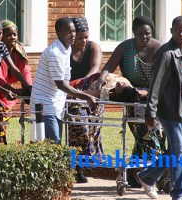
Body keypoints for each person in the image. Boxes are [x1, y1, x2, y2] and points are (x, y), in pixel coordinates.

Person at [90, 16, 163, 187]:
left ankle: (141, 174)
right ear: (133, 33)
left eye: (148, 34)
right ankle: (144, 175)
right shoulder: (125, 47)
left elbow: (162, 76)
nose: (144, 37)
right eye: (140, 34)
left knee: (155, 135)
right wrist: (101, 78)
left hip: (154, 96)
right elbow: (109, 66)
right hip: (132, 98)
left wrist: (147, 93)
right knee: (143, 135)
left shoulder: (158, 48)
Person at [137, 16, 182, 200]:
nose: (181, 34)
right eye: (177, 30)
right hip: (169, 111)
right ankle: (179, 193)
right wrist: (150, 112)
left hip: (181, 110)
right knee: (179, 152)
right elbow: (155, 85)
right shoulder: (166, 53)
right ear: (171, 30)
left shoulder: (181, 51)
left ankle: (147, 175)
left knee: (176, 150)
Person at [29, 17, 97, 145]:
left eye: (73, 31)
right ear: (58, 33)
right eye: (68, 32)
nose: (72, 35)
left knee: (54, 144)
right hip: (44, 104)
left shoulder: (67, 48)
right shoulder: (55, 53)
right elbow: (60, 84)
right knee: (53, 144)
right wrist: (86, 96)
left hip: (56, 104)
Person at [68, 16, 103, 183]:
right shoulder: (65, 50)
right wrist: (75, 90)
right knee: (80, 127)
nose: (84, 40)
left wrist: (81, 84)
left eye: (86, 36)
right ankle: (77, 166)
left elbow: (95, 68)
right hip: (71, 97)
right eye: (80, 37)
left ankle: (91, 164)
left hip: (90, 94)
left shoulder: (93, 47)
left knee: (93, 129)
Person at [0, 20, 33, 144]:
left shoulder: (19, 51)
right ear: (1, 36)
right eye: (9, 34)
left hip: (5, 92)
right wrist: (13, 90)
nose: (13, 37)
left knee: (4, 120)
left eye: (14, 34)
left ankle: (1, 145)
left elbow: (25, 71)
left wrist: (29, 88)